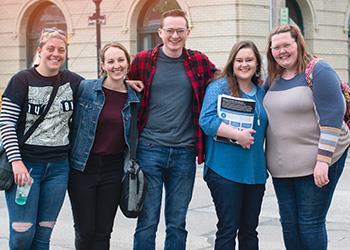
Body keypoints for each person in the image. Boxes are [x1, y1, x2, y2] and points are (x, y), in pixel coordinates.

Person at [128, 9, 217, 250]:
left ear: (188, 32)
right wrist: (126, 81)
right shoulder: (143, 60)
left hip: (184, 152)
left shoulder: (198, 61)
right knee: (147, 220)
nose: (175, 36)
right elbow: (114, 81)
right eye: (170, 30)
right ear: (160, 32)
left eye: (180, 30)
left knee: (177, 222)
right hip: (150, 150)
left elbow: (224, 80)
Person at [263, 24, 350, 250]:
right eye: (276, 47)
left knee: (310, 224)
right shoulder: (272, 78)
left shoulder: (319, 71)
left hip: (317, 164)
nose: (281, 51)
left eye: (286, 45)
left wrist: (323, 161)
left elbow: (332, 117)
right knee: (290, 224)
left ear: (298, 44)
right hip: (282, 167)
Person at [0, 28, 84, 249]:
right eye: (50, 49)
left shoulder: (73, 81)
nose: (55, 54)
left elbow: (101, 90)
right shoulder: (21, 80)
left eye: (61, 50)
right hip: (26, 167)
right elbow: (6, 124)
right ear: (39, 50)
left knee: (43, 235)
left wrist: (127, 83)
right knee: (22, 234)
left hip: (58, 169)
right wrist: (16, 162)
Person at [68, 42, 139, 249]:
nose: (116, 65)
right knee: (85, 230)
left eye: (120, 60)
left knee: (103, 231)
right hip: (83, 168)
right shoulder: (85, 88)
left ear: (128, 63)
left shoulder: (135, 97)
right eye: (110, 61)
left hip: (113, 170)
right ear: (103, 65)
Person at [199, 40, 268, 250]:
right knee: (228, 228)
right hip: (223, 170)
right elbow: (207, 121)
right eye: (239, 60)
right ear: (232, 62)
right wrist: (238, 135)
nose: (244, 64)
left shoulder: (262, 92)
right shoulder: (219, 86)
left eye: (249, 60)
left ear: (257, 63)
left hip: (254, 173)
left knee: (250, 230)